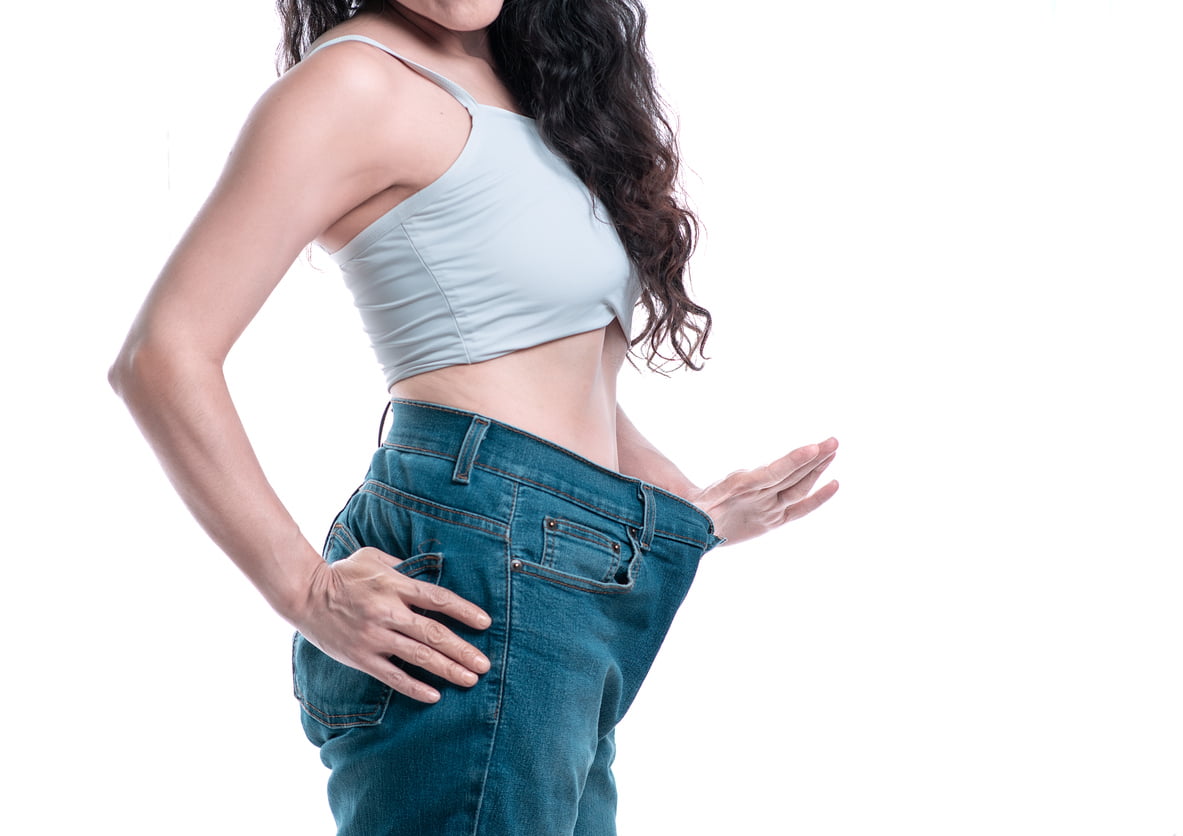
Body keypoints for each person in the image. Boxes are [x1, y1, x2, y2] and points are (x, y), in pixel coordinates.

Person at [110, 0, 839, 832]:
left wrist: (684, 513)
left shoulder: (535, 84)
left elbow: (559, 376)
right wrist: (304, 588)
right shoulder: (352, 86)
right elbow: (161, 355)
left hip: (559, 570)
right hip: (479, 553)